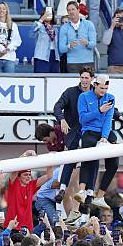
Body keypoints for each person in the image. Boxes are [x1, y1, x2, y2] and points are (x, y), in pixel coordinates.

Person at [51, 66, 95, 216]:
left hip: (90, 133)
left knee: (90, 162)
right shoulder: (70, 92)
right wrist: (62, 119)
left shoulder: (96, 92)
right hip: (73, 133)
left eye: (86, 78)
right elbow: (57, 107)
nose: (84, 80)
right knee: (70, 159)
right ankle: (63, 188)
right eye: (82, 77)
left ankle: (88, 195)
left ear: (92, 79)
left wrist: (118, 116)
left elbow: (108, 107)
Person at [74, 74, 119, 210]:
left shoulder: (110, 98)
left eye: (106, 88)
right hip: (89, 131)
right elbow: (83, 119)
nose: (103, 91)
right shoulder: (84, 97)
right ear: (95, 85)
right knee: (88, 158)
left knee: (114, 163)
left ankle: (100, 196)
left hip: (104, 132)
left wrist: (105, 136)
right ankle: (82, 190)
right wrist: (99, 110)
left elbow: (109, 119)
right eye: (101, 88)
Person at [4, 161, 55, 232]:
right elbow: (15, 169)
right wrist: (25, 155)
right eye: (25, 175)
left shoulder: (31, 185)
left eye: (29, 174)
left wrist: (52, 158)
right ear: (19, 177)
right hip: (13, 227)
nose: (28, 176)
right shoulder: (14, 185)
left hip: (27, 228)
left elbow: (49, 176)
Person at [59, 1, 96, 73]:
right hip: (72, 63)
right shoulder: (64, 28)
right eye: (69, 10)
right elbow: (61, 49)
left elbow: (93, 44)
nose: (71, 12)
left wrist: (87, 43)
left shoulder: (89, 24)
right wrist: (69, 46)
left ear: (78, 10)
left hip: (88, 62)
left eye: (73, 9)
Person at [0, 2, 21, 73]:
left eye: (4, 9)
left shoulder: (13, 25)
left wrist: (8, 48)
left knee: (9, 81)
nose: (2, 10)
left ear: (7, 11)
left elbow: (17, 41)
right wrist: (1, 49)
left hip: (9, 59)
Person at [33, 7, 61, 73]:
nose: (48, 15)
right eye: (47, 13)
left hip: (55, 56)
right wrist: (42, 19)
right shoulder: (39, 26)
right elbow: (31, 32)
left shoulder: (55, 28)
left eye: (50, 13)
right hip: (42, 56)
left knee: (54, 80)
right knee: (40, 79)